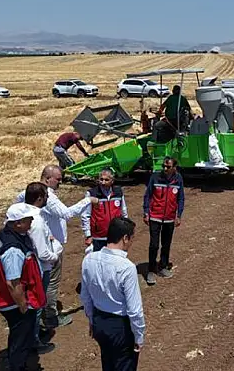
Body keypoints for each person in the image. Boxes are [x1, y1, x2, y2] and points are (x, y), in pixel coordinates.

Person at [15, 165, 96, 331]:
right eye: (58, 179)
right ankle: (50, 316)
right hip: (49, 247)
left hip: (35, 244)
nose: (60, 182)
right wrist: (88, 200)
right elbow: (67, 213)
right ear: (47, 179)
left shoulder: (27, 193)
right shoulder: (48, 197)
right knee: (51, 282)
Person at [80, 217, 145, 371]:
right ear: (125, 238)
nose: (132, 242)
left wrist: (92, 320)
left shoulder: (89, 259)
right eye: (132, 238)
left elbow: (85, 296)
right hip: (120, 328)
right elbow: (134, 310)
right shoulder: (127, 268)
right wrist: (139, 336)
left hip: (99, 322)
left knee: (107, 362)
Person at [0, 202, 47, 371]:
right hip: (15, 303)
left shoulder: (6, 234)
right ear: (17, 223)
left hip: (13, 300)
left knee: (19, 335)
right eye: (28, 219)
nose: (32, 221)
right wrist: (23, 305)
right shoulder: (13, 250)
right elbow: (13, 282)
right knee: (21, 338)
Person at [23, 182, 60, 351]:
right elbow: (43, 253)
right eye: (46, 196)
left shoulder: (21, 213)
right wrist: (55, 255)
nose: (47, 199)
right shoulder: (36, 221)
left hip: (29, 267)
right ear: (39, 198)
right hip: (39, 268)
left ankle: (34, 332)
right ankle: (34, 340)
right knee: (36, 304)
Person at [142, 156, 185, 285]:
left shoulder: (178, 179)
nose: (165, 169)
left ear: (174, 167)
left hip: (169, 218)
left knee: (166, 244)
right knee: (154, 245)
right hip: (155, 216)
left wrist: (179, 215)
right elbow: (148, 195)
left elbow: (181, 198)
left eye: (168, 167)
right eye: (164, 166)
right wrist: (146, 212)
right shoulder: (155, 177)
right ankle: (151, 270)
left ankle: (163, 266)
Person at [81, 169, 128, 253]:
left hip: (115, 236)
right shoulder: (92, 194)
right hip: (98, 237)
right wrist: (88, 235)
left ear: (112, 181)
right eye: (101, 179)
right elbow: (85, 215)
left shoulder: (118, 192)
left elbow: (123, 211)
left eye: (106, 180)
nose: (103, 182)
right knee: (98, 259)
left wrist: (125, 229)